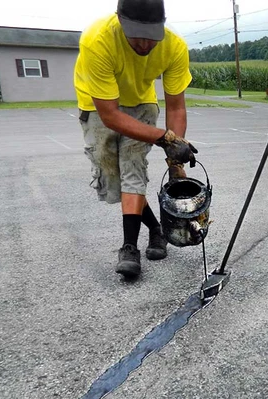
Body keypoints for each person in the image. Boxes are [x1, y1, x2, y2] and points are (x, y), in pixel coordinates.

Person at [74, 0, 198, 278]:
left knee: (133, 170)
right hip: (98, 106)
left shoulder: (174, 46)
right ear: (119, 19)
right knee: (115, 182)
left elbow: (176, 106)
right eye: (135, 35)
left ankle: (129, 247)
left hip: (142, 104)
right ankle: (156, 230)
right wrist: (163, 138)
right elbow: (110, 114)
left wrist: (175, 157)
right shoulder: (98, 39)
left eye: (151, 36)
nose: (144, 44)